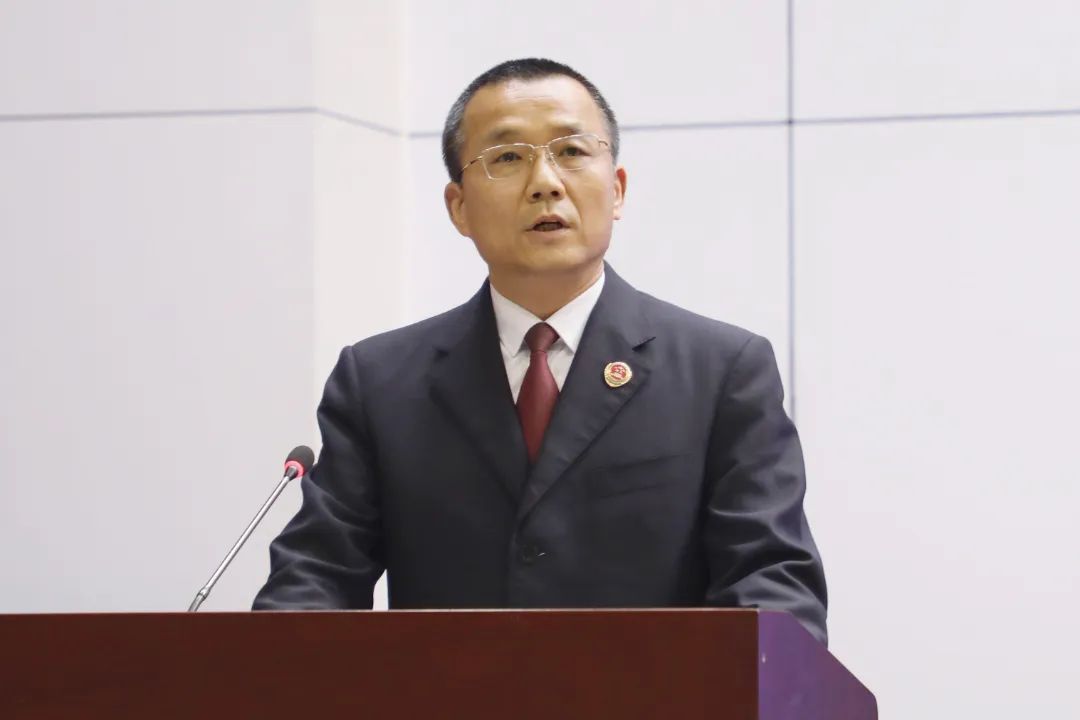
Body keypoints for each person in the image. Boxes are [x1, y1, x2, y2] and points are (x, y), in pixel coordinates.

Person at [253, 58, 828, 644]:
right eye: (507, 157)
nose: (545, 182)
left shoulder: (720, 372)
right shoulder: (380, 382)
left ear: (617, 189)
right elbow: (314, 579)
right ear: (458, 207)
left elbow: (773, 586)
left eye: (572, 151)